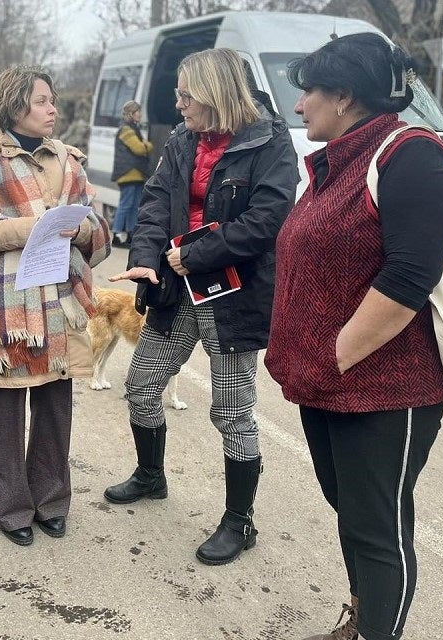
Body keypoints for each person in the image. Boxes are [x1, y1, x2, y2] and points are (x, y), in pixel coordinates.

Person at [264, 33, 443, 640]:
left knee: (379, 529)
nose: (298, 107)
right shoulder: (337, 164)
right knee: (352, 514)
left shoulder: (414, 158)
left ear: (344, 96)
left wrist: (333, 356)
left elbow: (407, 278)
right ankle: (363, 616)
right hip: (328, 382)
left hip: (385, 388)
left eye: (307, 94)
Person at [105, 48, 298, 566]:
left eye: (186, 94)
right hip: (176, 287)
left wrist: (194, 254)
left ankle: (240, 520)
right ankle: (151, 475)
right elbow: (153, 201)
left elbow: (268, 220)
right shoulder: (181, 138)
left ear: (215, 94)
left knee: (231, 411)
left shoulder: (269, 140)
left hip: (233, 293)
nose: (178, 102)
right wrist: (147, 259)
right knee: (141, 384)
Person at [0, 65, 111, 546]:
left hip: (62, 301)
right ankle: (13, 508)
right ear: (16, 104)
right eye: (42, 101)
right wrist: (28, 228)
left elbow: (98, 230)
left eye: (52, 99)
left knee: (56, 401)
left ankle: (52, 500)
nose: (53, 108)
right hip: (11, 307)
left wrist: (79, 229)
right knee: (8, 404)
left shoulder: (70, 162)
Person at [110, 99, 153, 247]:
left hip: (136, 174)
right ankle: (116, 234)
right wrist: (147, 145)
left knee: (134, 206)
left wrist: (145, 145)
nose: (140, 114)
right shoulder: (126, 130)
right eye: (138, 112)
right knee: (125, 205)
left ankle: (130, 234)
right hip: (128, 174)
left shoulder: (133, 128)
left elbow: (142, 146)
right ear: (131, 113)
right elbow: (139, 148)